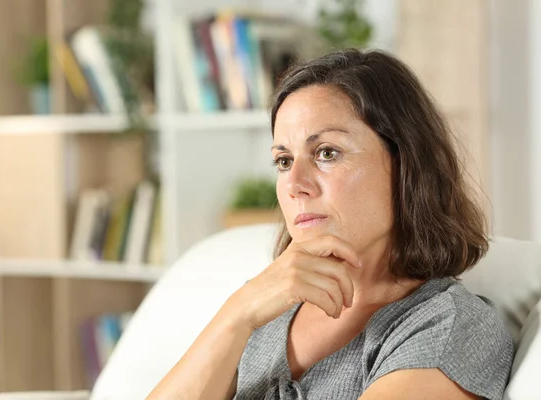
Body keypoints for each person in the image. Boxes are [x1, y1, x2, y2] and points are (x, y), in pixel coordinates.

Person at [147, 49, 514, 400]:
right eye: (284, 161)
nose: (293, 185)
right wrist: (238, 312)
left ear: (407, 166)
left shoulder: (448, 326)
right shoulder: (263, 303)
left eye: (326, 153)